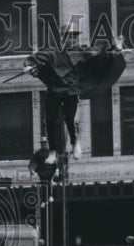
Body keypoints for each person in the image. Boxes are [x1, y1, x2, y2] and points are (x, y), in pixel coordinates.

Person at [22, 29, 126, 164]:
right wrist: (29, 67)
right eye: (71, 37)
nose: (75, 40)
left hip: (71, 90)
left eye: (76, 37)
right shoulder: (52, 52)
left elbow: (100, 53)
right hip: (54, 90)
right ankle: (52, 152)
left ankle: (75, 142)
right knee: (50, 119)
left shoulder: (82, 51)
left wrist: (114, 48)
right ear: (63, 40)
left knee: (69, 118)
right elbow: (33, 59)